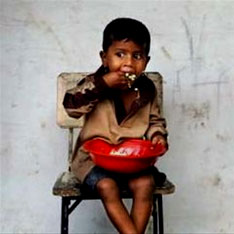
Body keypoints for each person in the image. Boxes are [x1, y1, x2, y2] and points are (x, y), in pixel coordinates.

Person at [63, 18, 168, 234]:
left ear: (146, 62)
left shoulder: (146, 90)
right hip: (92, 160)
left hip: (132, 161)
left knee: (145, 184)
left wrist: (158, 136)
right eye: (120, 54)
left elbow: (155, 121)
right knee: (107, 187)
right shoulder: (94, 85)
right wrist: (102, 86)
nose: (128, 63)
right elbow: (72, 107)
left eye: (137, 56)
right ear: (104, 58)